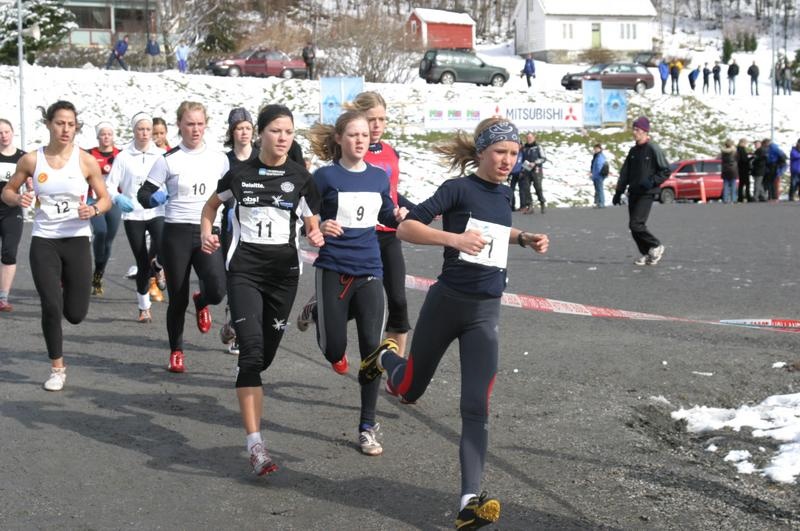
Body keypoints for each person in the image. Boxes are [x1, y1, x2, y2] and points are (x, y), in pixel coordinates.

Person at [356, 117, 549, 530]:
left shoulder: (504, 192)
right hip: (447, 304)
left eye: (514, 154)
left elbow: (494, 229)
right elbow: (406, 227)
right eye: (500, 152)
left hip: (485, 312)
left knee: (476, 407)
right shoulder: (457, 188)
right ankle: (385, 356)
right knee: (409, 390)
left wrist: (523, 238)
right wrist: (453, 239)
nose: (508, 161)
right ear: (481, 152)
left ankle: (468, 504)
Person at [199, 104, 323, 476]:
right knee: (251, 357)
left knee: (264, 358)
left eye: (288, 132)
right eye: (275, 131)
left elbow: (311, 221)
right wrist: (207, 232)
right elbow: (210, 207)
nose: (283, 138)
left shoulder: (302, 178)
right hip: (245, 273)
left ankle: (238, 326)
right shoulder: (239, 175)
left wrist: (316, 233)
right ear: (260, 134)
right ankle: (255, 445)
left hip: (284, 277)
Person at [306, 109, 405, 457]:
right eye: (353, 135)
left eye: (364, 135)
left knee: (371, 351)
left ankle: (367, 426)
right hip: (333, 267)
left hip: (369, 269)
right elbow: (305, 215)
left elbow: (385, 212)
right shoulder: (324, 177)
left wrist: (398, 214)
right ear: (339, 139)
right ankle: (318, 312)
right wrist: (319, 225)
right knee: (334, 349)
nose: (360, 140)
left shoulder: (378, 177)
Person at [1, 100, 111, 391]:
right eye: (60, 123)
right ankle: (57, 369)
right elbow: (8, 191)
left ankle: (65, 289)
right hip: (44, 240)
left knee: (75, 314)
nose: (66, 129)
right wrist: (18, 198)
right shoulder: (31, 160)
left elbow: (105, 199)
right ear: (49, 124)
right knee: (51, 305)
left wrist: (93, 209)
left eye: (71, 124)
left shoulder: (85, 160)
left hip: (76, 240)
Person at [137, 101, 229, 373]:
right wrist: (153, 198)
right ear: (179, 125)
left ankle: (202, 301)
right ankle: (176, 351)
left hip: (208, 231)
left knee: (218, 290)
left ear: (206, 124)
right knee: (177, 298)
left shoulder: (219, 159)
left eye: (200, 124)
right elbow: (144, 193)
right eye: (190, 124)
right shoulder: (168, 160)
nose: (195, 129)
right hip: (176, 232)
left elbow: (232, 194)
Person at [105, 112, 166, 323]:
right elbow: (109, 185)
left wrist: (164, 194)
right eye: (140, 129)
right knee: (142, 262)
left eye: (148, 129)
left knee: (164, 246)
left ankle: (159, 267)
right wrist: (118, 198)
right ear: (134, 131)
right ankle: (144, 307)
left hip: (156, 211)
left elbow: (171, 181)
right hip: (133, 214)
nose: (145, 133)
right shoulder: (123, 157)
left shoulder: (161, 155)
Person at [218, 107, 257, 355]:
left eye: (248, 128)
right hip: (231, 225)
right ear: (232, 132)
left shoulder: (261, 157)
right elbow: (217, 193)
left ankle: (237, 328)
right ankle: (235, 321)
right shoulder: (225, 160)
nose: (244, 132)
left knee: (253, 277)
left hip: (256, 225)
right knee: (235, 276)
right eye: (239, 128)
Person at [612, 116, 669, 266]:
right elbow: (625, 173)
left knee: (636, 224)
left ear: (645, 131)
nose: (634, 132)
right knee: (633, 226)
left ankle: (656, 245)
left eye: (637, 129)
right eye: (634, 129)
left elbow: (665, 171)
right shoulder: (633, 151)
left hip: (647, 193)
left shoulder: (653, 149)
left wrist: (652, 181)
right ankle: (647, 253)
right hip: (634, 192)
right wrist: (618, 192)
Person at [88, 122, 121, 296]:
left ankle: (98, 274)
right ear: (97, 136)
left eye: (109, 133)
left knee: (108, 240)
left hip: (113, 201)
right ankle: (96, 262)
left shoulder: (120, 155)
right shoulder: (89, 154)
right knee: (100, 231)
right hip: (94, 200)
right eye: (103, 134)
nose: (106, 137)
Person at [0, 119, 26, 312]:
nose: (3, 136)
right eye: (0, 133)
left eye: (6, 132)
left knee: (9, 252)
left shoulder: (23, 158)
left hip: (11, 210)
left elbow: (34, 180)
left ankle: (3, 297)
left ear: (12, 132)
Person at [520, 132, 546, 214]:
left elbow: (543, 158)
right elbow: (522, 159)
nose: (529, 139)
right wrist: (522, 170)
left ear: (534, 138)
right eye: (528, 138)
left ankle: (542, 202)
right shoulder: (524, 148)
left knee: (538, 187)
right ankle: (530, 206)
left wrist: (535, 163)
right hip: (527, 169)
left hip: (536, 170)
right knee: (526, 188)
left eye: (530, 138)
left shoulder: (538, 147)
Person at [720, 139, 738, 204]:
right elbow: (738, 159)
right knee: (733, 185)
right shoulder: (734, 151)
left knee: (725, 185)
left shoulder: (723, 152)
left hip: (725, 169)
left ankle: (725, 199)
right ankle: (734, 199)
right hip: (733, 169)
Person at [590, 143, 608, 208]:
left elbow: (599, 166)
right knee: (597, 190)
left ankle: (601, 203)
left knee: (599, 189)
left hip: (599, 175)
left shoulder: (600, 156)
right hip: (595, 175)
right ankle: (597, 203)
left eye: (597, 149)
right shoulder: (596, 156)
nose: (595, 150)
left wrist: (598, 174)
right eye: (595, 149)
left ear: (600, 149)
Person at [736, 138, 752, 203]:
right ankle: (748, 197)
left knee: (741, 184)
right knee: (747, 183)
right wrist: (751, 158)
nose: (746, 144)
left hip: (740, 168)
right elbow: (744, 160)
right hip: (744, 168)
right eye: (745, 143)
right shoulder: (742, 149)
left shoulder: (737, 149)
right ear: (743, 143)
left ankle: (740, 197)